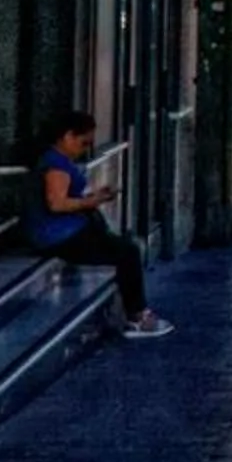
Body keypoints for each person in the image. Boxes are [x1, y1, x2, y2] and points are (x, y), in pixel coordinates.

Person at [26, 112, 170, 338]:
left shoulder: (58, 161)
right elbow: (56, 203)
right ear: (67, 137)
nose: (84, 149)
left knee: (121, 246)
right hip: (59, 236)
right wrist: (90, 201)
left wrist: (93, 198)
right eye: (83, 142)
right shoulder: (56, 165)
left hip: (66, 230)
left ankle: (137, 312)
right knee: (127, 252)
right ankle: (137, 316)